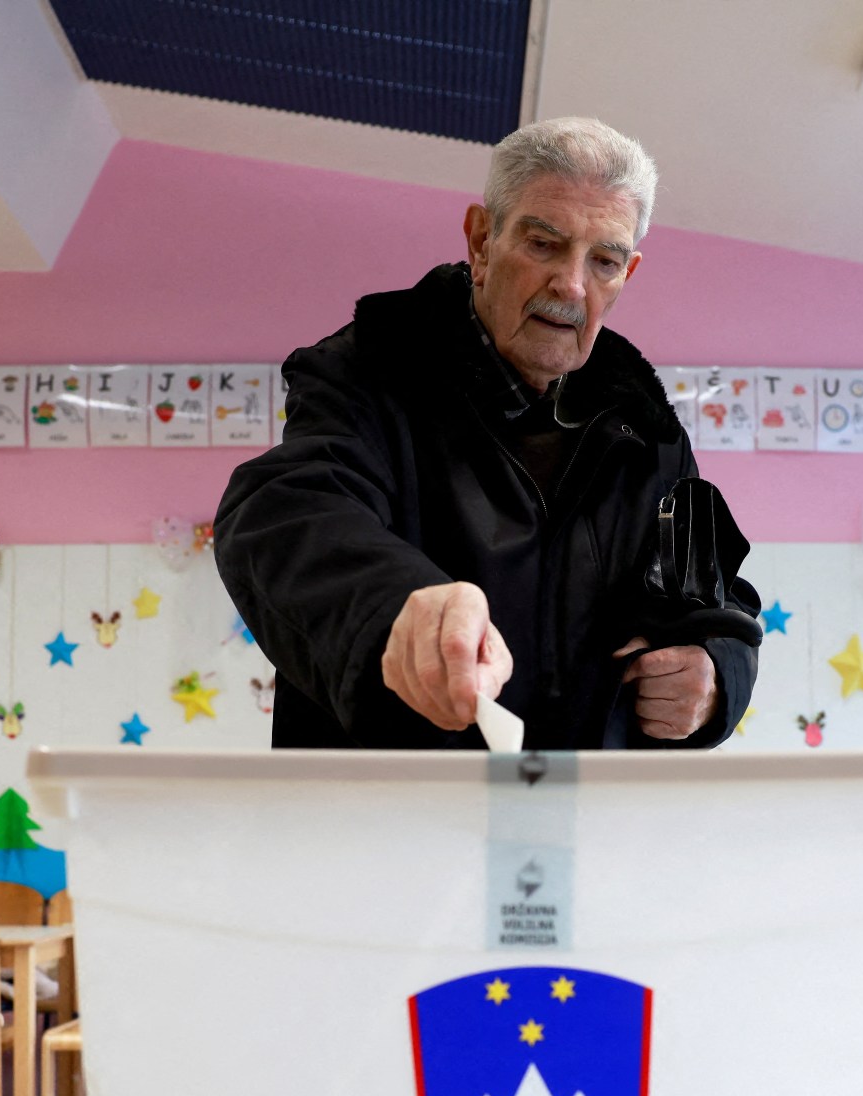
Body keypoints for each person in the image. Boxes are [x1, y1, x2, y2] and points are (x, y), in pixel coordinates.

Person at [215, 116, 760, 750]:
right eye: (544, 244)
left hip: (583, 806)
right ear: (481, 241)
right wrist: (396, 607)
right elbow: (287, 513)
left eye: (604, 261)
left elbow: (711, 595)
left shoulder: (651, 431)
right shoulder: (366, 371)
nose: (571, 284)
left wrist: (717, 673)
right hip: (393, 803)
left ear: (627, 274)